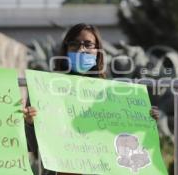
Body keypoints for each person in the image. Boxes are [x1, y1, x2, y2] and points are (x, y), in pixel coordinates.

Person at [23, 23, 159, 175]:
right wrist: (30, 123)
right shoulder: (45, 90)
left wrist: (145, 119)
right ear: (66, 50)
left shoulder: (111, 94)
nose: (81, 50)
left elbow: (125, 142)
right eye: (74, 44)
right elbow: (34, 150)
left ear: (98, 51)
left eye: (88, 44)